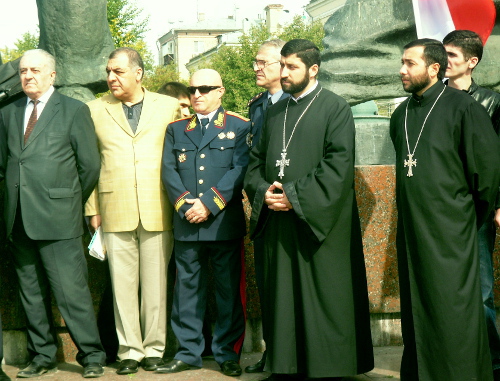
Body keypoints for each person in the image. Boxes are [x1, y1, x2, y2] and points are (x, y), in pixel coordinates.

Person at [244, 39, 374, 380]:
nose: (284, 73)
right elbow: (255, 163)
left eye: (292, 67)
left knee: (324, 296)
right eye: (282, 66)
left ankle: (327, 368)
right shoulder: (273, 111)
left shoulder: (335, 108)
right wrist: (264, 192)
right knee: (281, 296)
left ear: (313, 69)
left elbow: (338, 165)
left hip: (319, 223)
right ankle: (284, 365)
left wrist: (295, 197)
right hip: (279, 222)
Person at [391, 38, 500, 381]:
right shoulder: (400, 114)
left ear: (434, 68)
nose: (402, 70)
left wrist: (464, 221)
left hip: (453, 233)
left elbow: (486, 176)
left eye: (410, 63)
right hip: (412, 231)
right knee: (417, 307)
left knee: (455, 309)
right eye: (402, 63)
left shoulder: (465, 108)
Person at [0, 49, 105, 378]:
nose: (28, 75)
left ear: (52, 75)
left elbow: (89, 166)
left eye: (35, 70)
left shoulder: (74, 111)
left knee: (71, 292)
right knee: (30, 293)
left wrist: (68, 201)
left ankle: (91, 356)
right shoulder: (8, 113)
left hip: (60, 219)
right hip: (18, 219)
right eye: (23, 71)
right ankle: (42, 356)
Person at [84, 47, 181, 375]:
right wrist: (92, 207)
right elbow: (89, 162)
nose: (111, 77)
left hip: (158, 206)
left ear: (138, 73)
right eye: (109, 71)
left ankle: (155, 348)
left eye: (118, 71)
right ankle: (129, 351)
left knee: (156, 284)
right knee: (121, 284)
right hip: (113, 206)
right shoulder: (94, 110)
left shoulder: (168, 107)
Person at [157, 68, 249, 377]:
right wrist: (185, 205)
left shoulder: (239, 126)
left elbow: (239, 170)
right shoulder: (177, 129)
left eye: (206, 88)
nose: (197, 94)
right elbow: (169, 171)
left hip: (222, 223)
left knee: (226, 291)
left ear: (220, 91)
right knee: (187, 291)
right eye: (193, 88)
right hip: (187, 223)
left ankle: (227, 353)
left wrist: (209, 204)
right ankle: (188, 353)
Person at [443, 29, 500, 380]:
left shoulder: (492, 102)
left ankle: (492, 361)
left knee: (480, 289)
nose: (444, 61)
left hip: (477, 209)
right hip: (442, 209)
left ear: (471, 62)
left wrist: (497, 205)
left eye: (451, 55)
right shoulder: (431, 99)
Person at [245, 38, 289, 374]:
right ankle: (273, 352)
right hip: (264, 204)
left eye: (264, 62)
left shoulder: (298, 101)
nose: (257, 67)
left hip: (293, 205)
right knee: (267, 284)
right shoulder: (258, 105)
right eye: (256, 62)